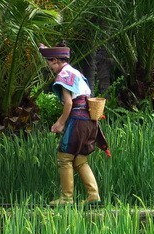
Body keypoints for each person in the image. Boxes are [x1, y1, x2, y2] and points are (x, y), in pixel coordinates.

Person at [39, 44, 110, 205]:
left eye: (49, 63)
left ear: (56, 60)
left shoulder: (63, 75)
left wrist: (60, 123)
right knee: (80, 160)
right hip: (91, 121)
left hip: (78, 120)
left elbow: (69, 104)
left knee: (64, 157)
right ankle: (93, 195)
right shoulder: (75, 72)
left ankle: (66, 197)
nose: (48, 67)